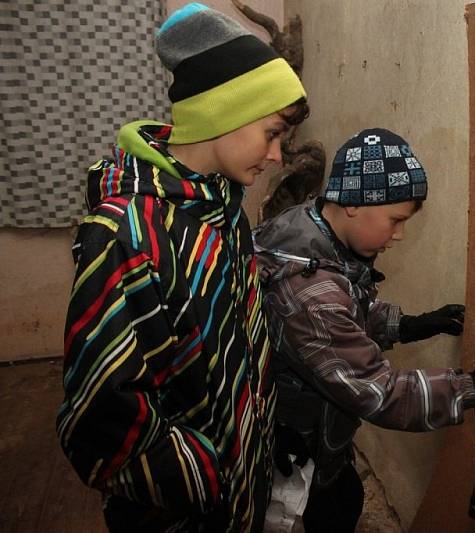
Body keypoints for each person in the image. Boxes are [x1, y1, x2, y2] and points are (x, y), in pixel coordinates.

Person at [56, 3, 307, 531]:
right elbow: (101, 423)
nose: (279, 156)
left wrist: (260, 432)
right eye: (272, 133)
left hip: (244, 492)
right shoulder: (124, 234)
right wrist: (209, 476)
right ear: (224, 113)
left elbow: (239, 344)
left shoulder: (222, 215)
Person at [253, 128, 475, 531]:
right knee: (332, 511)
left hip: (312, 431)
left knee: (346, 498)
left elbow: (347, 308)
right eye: (395, 220)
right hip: (293, 452)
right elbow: (380, 393)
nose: (398, 236)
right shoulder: (312, 292)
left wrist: (409, 325)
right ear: (352, 204)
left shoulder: (306, 227)